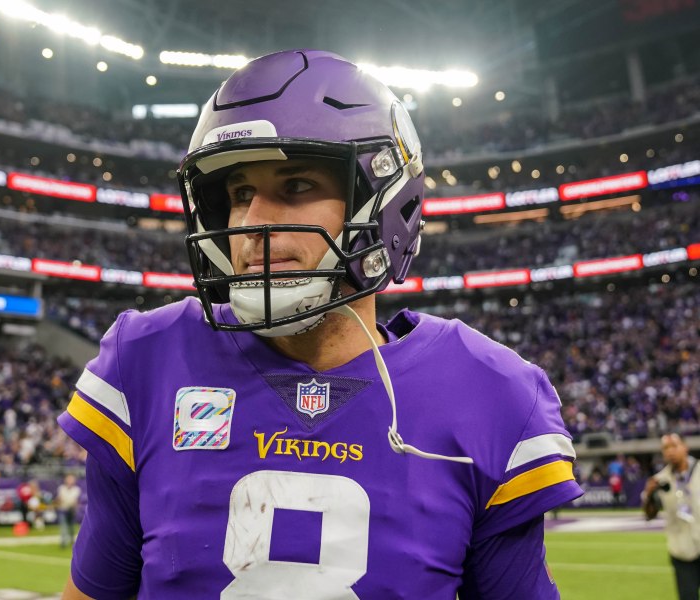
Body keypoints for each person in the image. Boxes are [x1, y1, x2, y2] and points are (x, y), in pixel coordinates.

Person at [58, 49, 583, 599]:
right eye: (240, 194)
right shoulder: (147, 360)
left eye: (297, 186)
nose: (252, 222)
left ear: (383, 204)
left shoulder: (489, 392)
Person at [643, 433, 700, 600]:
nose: (670, 451)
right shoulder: (660, 480)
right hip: (681, 550)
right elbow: (650, 515)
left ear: (685, 447)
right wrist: (649, 495)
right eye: (665, 448)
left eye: (674, 446)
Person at [55, 474, 81, 548]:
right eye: (68, 479)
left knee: (71, 527)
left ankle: (72, 541)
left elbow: (76, 501)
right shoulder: (61, 488)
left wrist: (74, 506)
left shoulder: (76, 489)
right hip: (63, 509)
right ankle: (63, 542)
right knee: (63, 526)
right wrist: (59, 500)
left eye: (71, 479)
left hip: (71, 510)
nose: (70, 481)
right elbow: (59, 499)